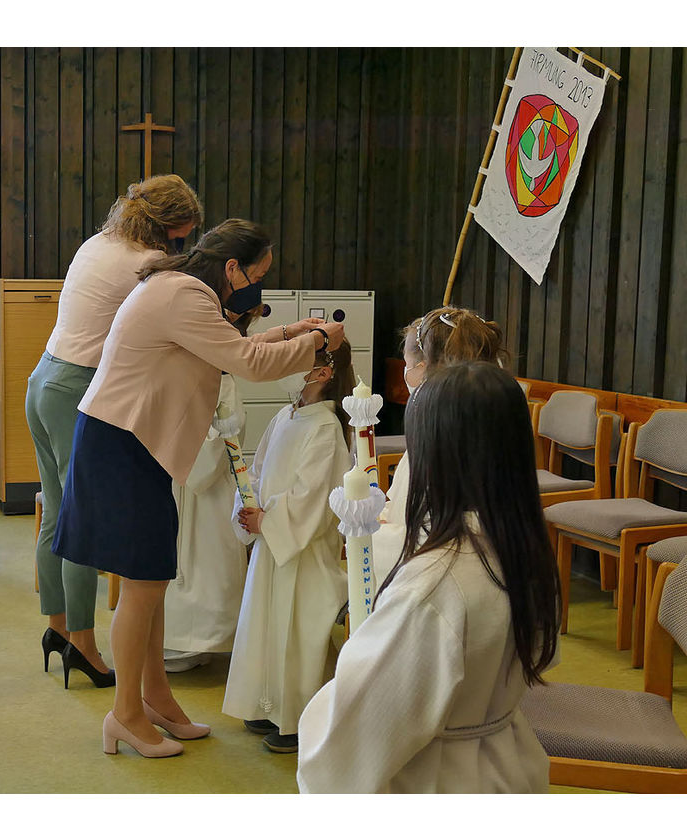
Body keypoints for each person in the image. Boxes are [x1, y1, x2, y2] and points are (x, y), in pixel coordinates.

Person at [53, 218, 346, 757]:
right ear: (232, 268)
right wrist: (319, 343)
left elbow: (228, 344)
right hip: (122, 443)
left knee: (153, 577)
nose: (258, 286)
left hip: (133, 442)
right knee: (141, 584)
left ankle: (157, 699)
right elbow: (246, 362)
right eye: (258, 274)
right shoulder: (184, 294)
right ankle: (124, 716)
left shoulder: (178, 288)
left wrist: (289, 332)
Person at [296, 361, 561, 793]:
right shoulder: (524, 550)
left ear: (435, 455)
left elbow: (354, 734)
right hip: (509, 766)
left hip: (439, 780)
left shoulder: (434, 586)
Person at [26, 174, 204, 687]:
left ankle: (58, 629)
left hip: (43, 377)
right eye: (179, 236)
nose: (181, 246)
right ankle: (82, 642)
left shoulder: (97, 243)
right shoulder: (142, 265)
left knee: (56, 513)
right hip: (75, 386)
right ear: (164, 227)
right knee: (82, 523)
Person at [222, 341, 355, 753]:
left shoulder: (325, 428)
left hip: (304, 553)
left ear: (324, 372)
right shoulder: (286, 416)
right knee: (265, 625)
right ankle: (267, 703)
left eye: (299, 361)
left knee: (298, 634)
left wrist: (271, 519)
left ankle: (297, 718)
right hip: (272, 547)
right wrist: (250, 501)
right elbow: (258, 467)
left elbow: (314, 496)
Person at [373, 306, 506, 584]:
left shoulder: (444, 445)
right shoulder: (485, 417)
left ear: (422, 370)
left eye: (407, 366)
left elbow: (433, 542)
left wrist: (369, 536)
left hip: (445, 578)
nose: (406, 375)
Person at [161, 370, 250, 673]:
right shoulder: (171, 374)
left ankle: (207, 640)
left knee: (210, 562)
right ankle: (175, 641)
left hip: (207, 490)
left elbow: (225, 441)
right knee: (179, 563)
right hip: (172, 484)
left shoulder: (223, 382)